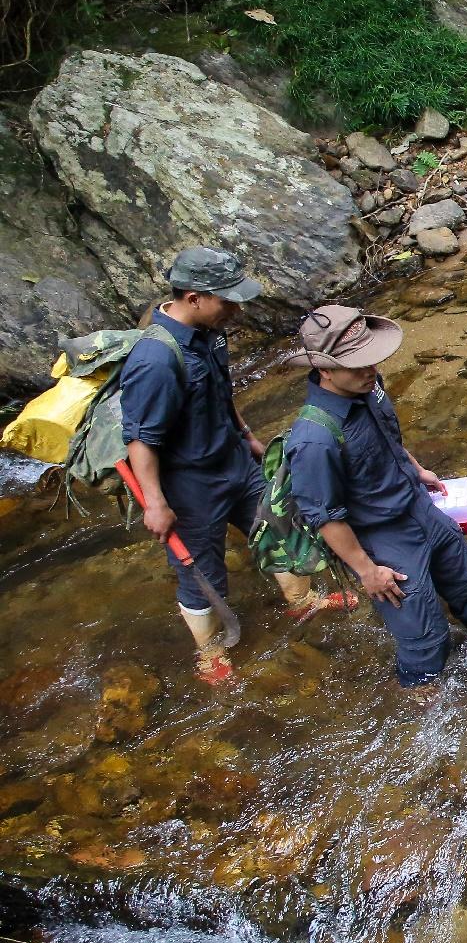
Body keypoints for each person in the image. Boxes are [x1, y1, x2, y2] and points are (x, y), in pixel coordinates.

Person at [120, 246, 356, 684]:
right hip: (191, 485)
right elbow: (141, 439)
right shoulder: (154, 359)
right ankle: (209, 651)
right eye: (226, 299)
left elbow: (220, 394)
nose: (236, 307)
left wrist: (247, 438)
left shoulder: (213, 334)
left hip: (234, 461)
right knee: (203, 572)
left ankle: (302, 602)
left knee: (281, 530)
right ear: (193, 298)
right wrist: (155, 503)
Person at [282, 305, 467, 688]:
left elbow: (388, 438)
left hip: (419, 507)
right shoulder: (314, 439)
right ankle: (422, 696)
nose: (369, 370)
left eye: (371, 360)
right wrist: (367, 571)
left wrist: (416, 469)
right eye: (356, 365)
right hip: (382, 538)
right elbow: (325, 516)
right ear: (324, 370)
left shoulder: (369, 386)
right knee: (424, 635)